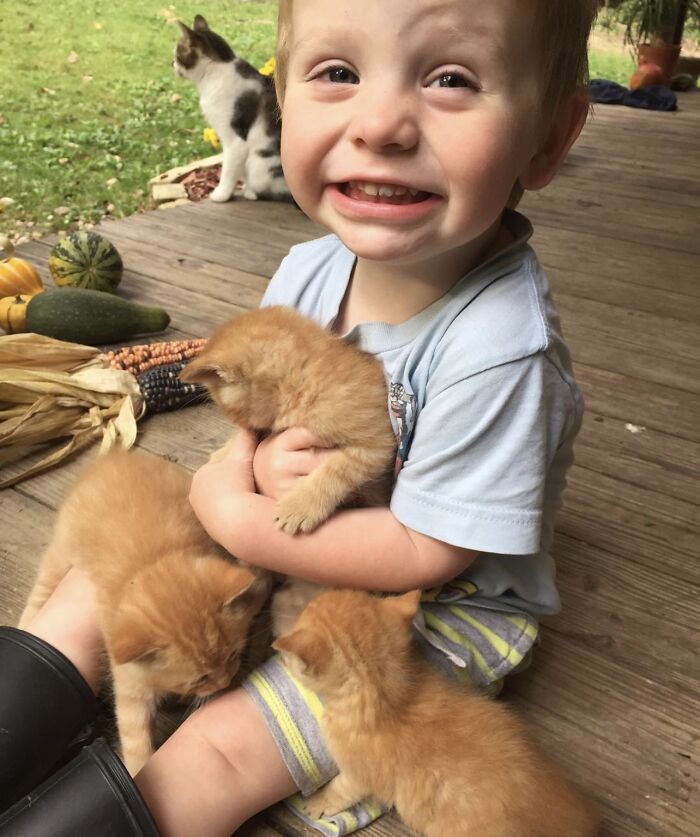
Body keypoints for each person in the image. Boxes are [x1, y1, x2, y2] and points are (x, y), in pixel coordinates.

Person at [0, 0, 598, 834]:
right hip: (283, 535)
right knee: (109, 591)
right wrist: (235, 477)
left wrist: (239, 519)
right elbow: (242, 443)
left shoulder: (502, 349)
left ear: (549, 137)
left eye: (451, 78)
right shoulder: (309, 271)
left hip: (429, 607)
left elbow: (430, 547)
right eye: (338, 73)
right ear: (282, 96)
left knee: (222, 748)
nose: (381, 123)